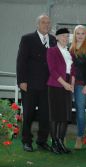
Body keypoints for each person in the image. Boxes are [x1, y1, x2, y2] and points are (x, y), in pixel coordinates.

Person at [16, 14, 56, 152]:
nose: (46, 25)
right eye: (43, 22)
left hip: (48, 85)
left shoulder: (53, 40)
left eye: (48, 23)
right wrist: (21, 81)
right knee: (28, 114)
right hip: (30, 84)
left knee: (45, 115)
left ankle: (42, 141)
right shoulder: (27, 39)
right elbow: (21, 61)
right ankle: (26, 141)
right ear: (37, 25)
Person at [47, 28, 75, 154]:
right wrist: (64, 84)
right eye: (63, 36)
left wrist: (71, 85)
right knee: (55, 116)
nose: (65, 38)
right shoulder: (51, 51)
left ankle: (60, 142)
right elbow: (52, 70)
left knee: (65, 116)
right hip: (55, 85)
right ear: (57, 37)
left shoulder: (69, 52)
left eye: (67, 36)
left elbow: (72, 71)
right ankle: (54, 143)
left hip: (67, 85)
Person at [69, 25, 86, 150]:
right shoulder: (69, 49)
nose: (80, 36)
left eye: (82, 33)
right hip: (68, 84)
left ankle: (79, 137)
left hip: (81, 85)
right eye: (78, 33)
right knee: (64, 111)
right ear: (74, 35)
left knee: (80, 112)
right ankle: (60, 135)